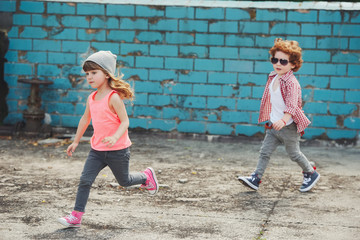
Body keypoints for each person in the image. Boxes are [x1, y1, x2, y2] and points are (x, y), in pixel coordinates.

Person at [58, 51, 159, 228]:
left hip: (118, 150)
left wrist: (114, 137)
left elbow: (125, 121)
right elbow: (85, 119)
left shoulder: (113, 97)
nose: (89, 77)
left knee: (124, 181)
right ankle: (76, 216)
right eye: (87, 74)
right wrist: (75, 141)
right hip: (97, 150)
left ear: (106, 73)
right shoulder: (91, 98)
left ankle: (146, 176)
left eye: (94, 73)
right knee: (85, 180)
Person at [238, 38, 320, 193]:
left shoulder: (291, 83)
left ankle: (311, 172)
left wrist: (284, 119)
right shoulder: (273, 77)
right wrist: (274, 118)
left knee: (294, 154)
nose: (278, 64)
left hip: (288, 126)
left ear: (293, 64)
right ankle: (256, 178)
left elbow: (292, 105)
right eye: (275, 60)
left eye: (283, 62)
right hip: (274, 125)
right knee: (264, 152)